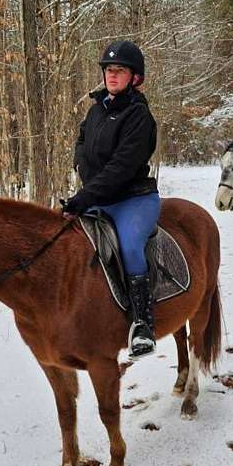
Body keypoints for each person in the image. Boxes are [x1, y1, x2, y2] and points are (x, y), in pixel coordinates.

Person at [60, 40, 160, 358]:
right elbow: (81, 140)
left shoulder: (139, 117)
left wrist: (85, 195)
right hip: (97, 198)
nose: (111, 75)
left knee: (129, 245)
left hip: (133, 200)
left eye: (119, 70)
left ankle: (143, 324)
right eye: (108, 70)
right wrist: (80, 163)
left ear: (135, 77)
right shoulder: (96, 110)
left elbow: (121, 168)